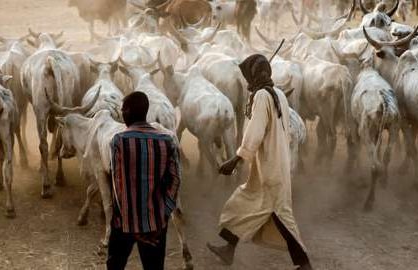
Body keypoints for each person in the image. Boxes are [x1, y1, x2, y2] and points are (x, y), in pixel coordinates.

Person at [207, 54, 313, 270]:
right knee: (243, 204)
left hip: (269, 169)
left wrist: (235, 160)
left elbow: (254, 132)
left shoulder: (263, 97)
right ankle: (229, 249)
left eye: (248, 77)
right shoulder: (278, 95)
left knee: (282, 217)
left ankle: (305, 264)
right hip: (274, 164)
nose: (246, 81)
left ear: (253, 76)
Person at [107, 92, 181, 270]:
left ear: (129, 111)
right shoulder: (167, 141)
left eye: (123, 109)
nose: (122, 113)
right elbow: (176, 181)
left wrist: (132, 224)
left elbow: (118, 186)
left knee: (115, 265)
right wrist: (162, 216)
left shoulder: (119, 140)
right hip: (155, 224)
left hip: (123, 223)